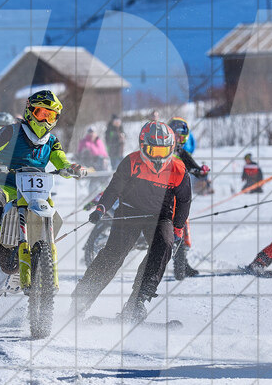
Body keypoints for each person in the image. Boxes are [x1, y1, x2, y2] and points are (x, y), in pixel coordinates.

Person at [0, 90, 86, 281]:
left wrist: (72, 169)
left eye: (50, 115)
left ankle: (41, 261)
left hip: (34, 193)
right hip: (3, 185)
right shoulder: (11, 131)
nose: (45, 120)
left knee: (51, 215)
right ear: (30, 111)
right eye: (41, 114)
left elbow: (62, 162)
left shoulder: (51, 142)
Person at [72, 120, 191, 322]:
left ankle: (138, 301)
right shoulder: (131, 162)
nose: (158, 157)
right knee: (114, 255)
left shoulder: (178, 169)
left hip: (160, 216)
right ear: (143, 146)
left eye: (163, 152)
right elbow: (114, 189)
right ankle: (81, 300)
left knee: (164, 246)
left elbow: (184, 200)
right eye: (153, 150)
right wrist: (101, 208)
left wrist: (178, 228)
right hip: (129, 213)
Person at [168, 117, 210, 277]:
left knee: (182, 226)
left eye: (182, 136)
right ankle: (180, 266)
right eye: (177, 135)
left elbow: (192, 166)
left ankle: (182, 265)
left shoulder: (180, 151)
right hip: (161, 193)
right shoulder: (164, 149)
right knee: (179, 226)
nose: (179, 139)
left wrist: (201, 171)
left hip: (178, 195)